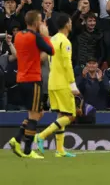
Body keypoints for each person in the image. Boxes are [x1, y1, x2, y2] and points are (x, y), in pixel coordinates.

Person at [9, 10, 54, 159]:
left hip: (21, 79)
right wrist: (46, 35)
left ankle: (16, 139)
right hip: (33, 79)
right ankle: (28, 150)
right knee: (34, 116)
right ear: (35, 23)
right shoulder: (36, 37)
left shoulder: (18, 35)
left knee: (38, 113)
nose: (42, 23)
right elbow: (51, 51)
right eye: (40, 20)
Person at [31, 13, 78, 157]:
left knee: (61, 115)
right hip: (63, 83)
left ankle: (60, 149)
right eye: (70, 22)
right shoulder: (65, 42)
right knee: (71, 116)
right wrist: (72, 84)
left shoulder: (53, 39)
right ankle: (41, 136)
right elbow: (67, 64)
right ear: (67, 24)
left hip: (52, 82)